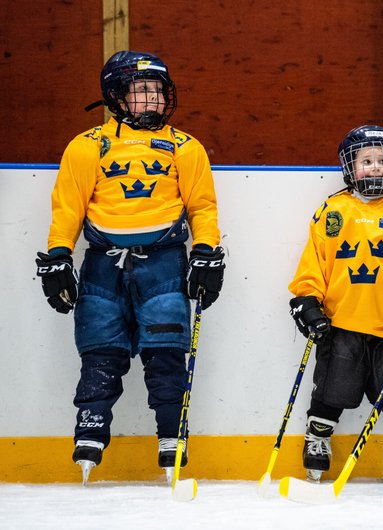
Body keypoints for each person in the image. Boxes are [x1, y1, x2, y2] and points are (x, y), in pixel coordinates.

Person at [35, 51, 225, 484]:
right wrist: (58, 255)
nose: (153, 99)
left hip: (165, 264)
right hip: (102, 264)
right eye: (141, 91)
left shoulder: (184, 146)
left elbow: (202, 206)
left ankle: (171, 437)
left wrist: (207, 251)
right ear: (117, 96)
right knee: (101, 350)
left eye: (157, 91)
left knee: (166, 353)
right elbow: (67, 208)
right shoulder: (87, 146)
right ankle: (91, 430)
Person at [287, 125, 383, 482]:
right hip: (341, 322)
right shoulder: (333, 210)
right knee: (332, 385)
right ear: (350, 167)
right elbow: (315, 264)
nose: (375, 168)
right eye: (366, 160)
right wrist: (308, 301)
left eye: (382, 161)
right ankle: (318, 437)